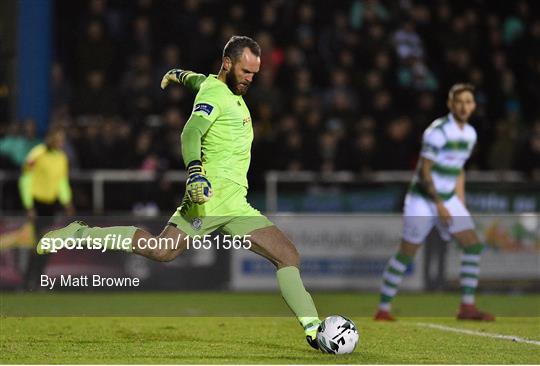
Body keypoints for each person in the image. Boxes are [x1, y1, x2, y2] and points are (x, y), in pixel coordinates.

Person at [37, 36, 321, 349]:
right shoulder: (216, 94)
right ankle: (79, 234)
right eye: (245, 71)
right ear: (228, 63)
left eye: (254, 73)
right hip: (207, 199)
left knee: (287, 255)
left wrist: (179, 74)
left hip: (235, 204)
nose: (250, 78)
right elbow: (191, 131)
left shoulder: (218, 86)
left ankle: (315, 331)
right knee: (162, 251)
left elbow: (200, 80)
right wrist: (195, 171)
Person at [374, 83, 495, 321]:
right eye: (459, 102)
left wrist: (460, 200)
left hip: (448, 198)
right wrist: (439, 204)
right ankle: (383, 308)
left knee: (472, 245)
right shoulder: (437, 132)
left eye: (468, 102)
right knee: (407, 252)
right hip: (422, 199)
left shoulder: (470, 134)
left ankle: (467, 307)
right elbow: (424, 171)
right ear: (450, 104)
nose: (464, 106)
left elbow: (458, 169)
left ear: (473, 105)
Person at [19, 128, 74, 290]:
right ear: (50, 138)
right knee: (36, 244)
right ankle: (28, 282)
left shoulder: (62, 158)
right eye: (58, 138)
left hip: (51, 206)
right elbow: (25, 180)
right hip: (36, 204)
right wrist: (28, 205)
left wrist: (67, 202)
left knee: (47, 245)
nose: (61, 142)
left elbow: (61, 182)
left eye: (62, 139)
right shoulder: (36, 154)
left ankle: (37, 281)